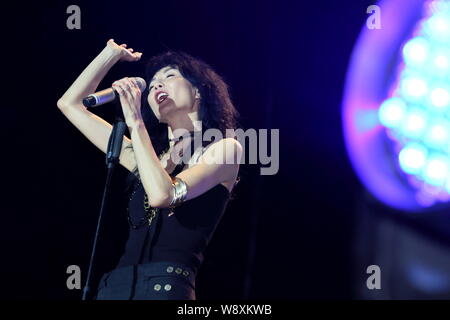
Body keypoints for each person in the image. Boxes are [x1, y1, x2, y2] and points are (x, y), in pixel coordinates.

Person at [57, 39, 242, 300]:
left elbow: (162, 195)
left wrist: (135, 121)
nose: (157, 85)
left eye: (169, 76)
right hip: (116, 287)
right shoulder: (147, 158)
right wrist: (109, 55)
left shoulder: (225, 148)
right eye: (153, 82)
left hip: (165, 288)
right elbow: (70, 105)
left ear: (199, 90)